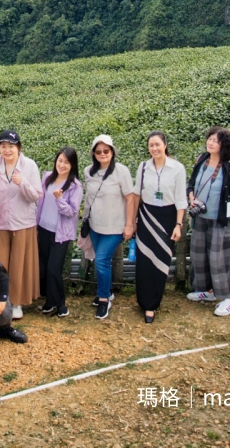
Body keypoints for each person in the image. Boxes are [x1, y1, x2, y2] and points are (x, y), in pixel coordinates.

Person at [186, 126, 230, 317]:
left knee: (221, 259)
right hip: (201, 218)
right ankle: (210, 292)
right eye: (210, 139)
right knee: (200, 257)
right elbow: (191, 183)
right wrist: (191, 198)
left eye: (216, 140)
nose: (210, 143)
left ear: (224, 145)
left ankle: (229, 299)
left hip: (221, 220)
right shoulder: (201, 161)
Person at [80, 134, 136, 320]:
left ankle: (104, 299)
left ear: (112, 152)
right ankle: (107, 292)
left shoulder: (121, 171)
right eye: (98, 151)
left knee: (101, 261)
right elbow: (88, 197)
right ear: (93, 154)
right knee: (101, 260)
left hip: (115, 227)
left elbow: (130, 199)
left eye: (106, 150)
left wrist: (129, 225)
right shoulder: (89, 171)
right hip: (95, 225)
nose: (102, 154)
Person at [134, 132, 188, 323]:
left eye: (157, 144)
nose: (154, 148)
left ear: (165, 145)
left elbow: (181, 198)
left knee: (161, 260)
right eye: (151, 145)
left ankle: (153, 304)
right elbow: (137, 195)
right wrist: (133, 221)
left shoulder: (177, 168)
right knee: (144, 260)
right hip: (146, 216)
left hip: (167, 217)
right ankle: (143, 302)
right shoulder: (143, 167)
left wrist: (178, 224)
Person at [0, 129, 41, 320]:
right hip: (0, 222)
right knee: (0, 263)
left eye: (11, 146)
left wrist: (23, 183)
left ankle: (17, 302)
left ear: (18, 147)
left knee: (19, 264)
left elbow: (36, 195)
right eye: (3, 146)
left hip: (22, 223)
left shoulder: (30, 166)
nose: (7, 150)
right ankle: (1, 300)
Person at [36, 147, 82, 317]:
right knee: (45, 268)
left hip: (60, 233)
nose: (62, 165)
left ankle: (61, 304)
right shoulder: (47, 177)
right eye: (60, 160)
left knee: (54, 269)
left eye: (66, 162)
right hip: (44, 228)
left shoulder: (75, 186)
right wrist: (36, 225)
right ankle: (49, 303)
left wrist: (59, 199)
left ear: (72, 165)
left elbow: (72, 211)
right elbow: (40, 204)